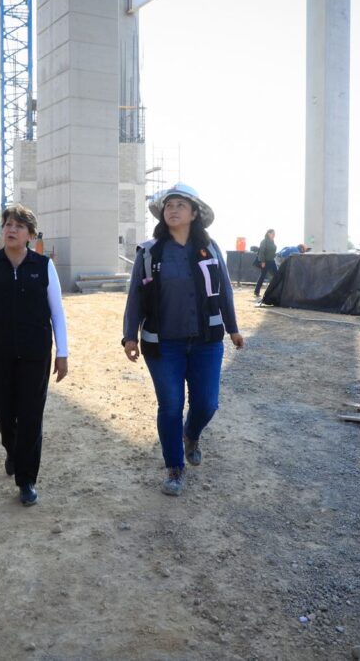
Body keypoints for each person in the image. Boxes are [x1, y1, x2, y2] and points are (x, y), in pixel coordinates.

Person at [122, 183, 244, 497]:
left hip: (206, 341)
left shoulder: (210, 249)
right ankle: (175, 468)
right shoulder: (150, 252)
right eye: (168, 205)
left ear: (194, 214)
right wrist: (129, 336)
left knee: (207, 403)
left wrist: (233, 328)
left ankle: (191, 434)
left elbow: (225, 291)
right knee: (171, 405)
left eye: (180, 205)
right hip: (163, 345)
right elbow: (135, 296)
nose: (173, 210)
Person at [0, 205, 68, 507]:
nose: (11, 229)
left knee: (31, 415)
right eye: (8, 224)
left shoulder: (43, 266)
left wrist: (63, 353)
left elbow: (57, 313)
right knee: (2, 411)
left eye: (19, 226)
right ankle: (13, 450)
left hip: (36, 353)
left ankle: (26, 480)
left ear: (30, 235)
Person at [253, 228, 277, 297]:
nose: (274, 235)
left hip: (272, 261)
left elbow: (272, 251)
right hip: (266, 261)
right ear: (268, 234)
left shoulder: (272, 241)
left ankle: (275, 291)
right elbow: (261, 252)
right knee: (262, 276)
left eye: (274, 234)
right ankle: (256, 291)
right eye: (272, 234)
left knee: (276, 275)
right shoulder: (264, 241)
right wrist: (262, 262)